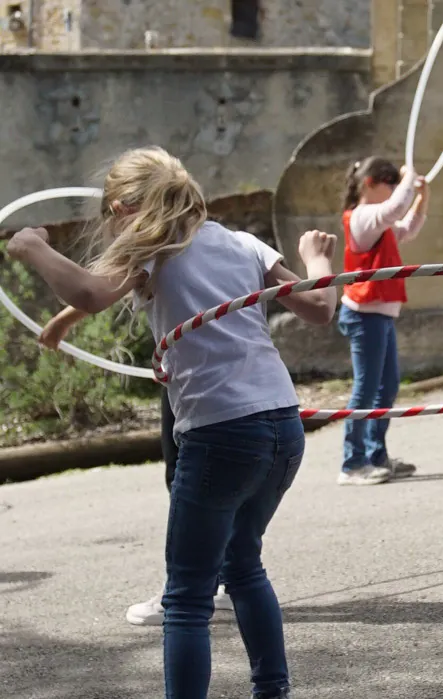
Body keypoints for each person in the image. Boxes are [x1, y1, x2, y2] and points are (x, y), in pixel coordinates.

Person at [8, 145, 338, 699]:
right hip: (282, 424)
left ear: (119, 208)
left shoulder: (151, 249)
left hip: (221, 431)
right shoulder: (241, 243)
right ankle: (272, 692)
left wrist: (33, 248)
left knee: (185, 598)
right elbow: (321, 307)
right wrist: (317, 258)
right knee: (243, 563)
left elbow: (91, 290)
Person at [40, 307, 235, 626]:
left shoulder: (166, 254)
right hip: (228, 369)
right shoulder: (247, 254)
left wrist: (60, 319)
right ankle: (227, 579)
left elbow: (99, 289)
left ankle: (185, 590)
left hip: (194, 371)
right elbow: (317, 306)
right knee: (219, 477)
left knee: (188, 477)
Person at [337, 157, 429, 486]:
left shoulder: (379, 224)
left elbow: (406, 228)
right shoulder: (361, 217)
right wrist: (408, 179)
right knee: (366, 389)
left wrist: (421, 197)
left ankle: (377, 455)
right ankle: (352, 463)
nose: (393, 189)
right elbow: (393, 210)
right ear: (369, 184)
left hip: (380, 315)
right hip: (365, 315)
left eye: (394, 183)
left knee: (386, 387)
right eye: (388, 183)